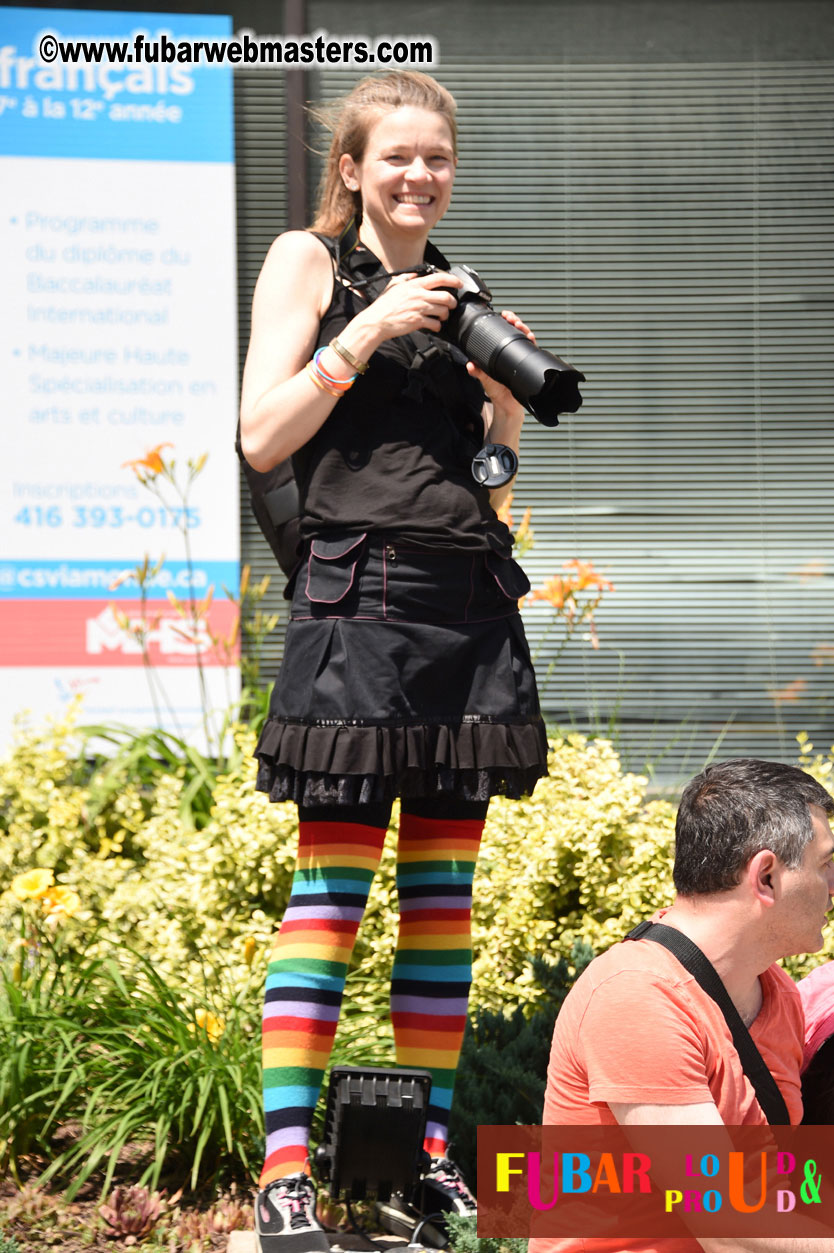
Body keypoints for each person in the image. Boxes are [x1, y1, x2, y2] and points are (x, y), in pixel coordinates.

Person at [238, 70, 549, 1253]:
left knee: (441, 903)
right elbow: (259, 433)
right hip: (355, 610)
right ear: (353, 168)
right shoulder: (309, 264)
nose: (420, 175)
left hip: (466, 608)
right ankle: (285, 1176)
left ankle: (426, 1163)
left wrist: (503, 414)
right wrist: (368, 330)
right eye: (398, 156)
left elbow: (486, 492)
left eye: (438, 158)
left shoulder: (466, 295)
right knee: (331, 895)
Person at [529, 757, 834, 1253]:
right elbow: (724, 1225)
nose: (833, 885)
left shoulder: (779, 993)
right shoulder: (637, 996)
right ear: (766, 877)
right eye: (825, 864)